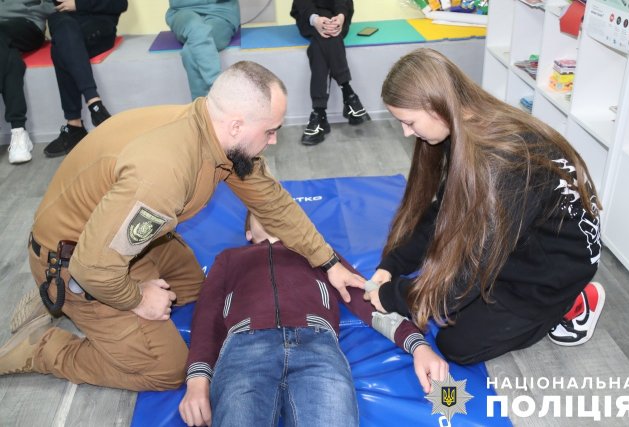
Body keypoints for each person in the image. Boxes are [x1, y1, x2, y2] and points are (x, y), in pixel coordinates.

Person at [0, 61, 363, 391]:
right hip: (79, 261)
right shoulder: (163, 173)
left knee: (197, 291)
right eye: (270, 131)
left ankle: (62, 301)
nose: (274, 140)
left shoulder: (214, 132)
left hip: (122, 241)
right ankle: (43, 344)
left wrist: (328, 262)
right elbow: (93, 267)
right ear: (237, 125)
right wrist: (138, 298)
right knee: (168, 369)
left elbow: (273, 203)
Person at [364, 48, 605, 365]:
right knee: (449, 298)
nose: (406, 132)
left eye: (409, 122)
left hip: (553, 270)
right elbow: (444, 213)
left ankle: (572, 302)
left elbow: (463, 282)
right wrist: (393, 264)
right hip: (521, 242)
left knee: (457, 344)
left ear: (437, 106)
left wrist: (393, 296)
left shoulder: (503, 165)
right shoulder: (465, 128)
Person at [178, 213, 447, 427]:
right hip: (246, 348)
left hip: (316, 346)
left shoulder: (318, 252)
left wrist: (417, 345)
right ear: (248, 233)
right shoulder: (229, 258)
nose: (271, 212)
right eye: (260, 210)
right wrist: (197, 379)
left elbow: (365, 298)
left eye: (279, 210)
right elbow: (207, 315)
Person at [42, 0, 128, 158]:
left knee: (59, 48)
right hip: (64, 24)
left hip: (97, 26)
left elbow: (120, 4)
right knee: (63, 32)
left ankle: (74, 125)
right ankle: (95, 105)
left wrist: (79, 4)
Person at [291, 0, 370, 145]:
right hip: (308, 17)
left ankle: (319, 113)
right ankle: (348, 93)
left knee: (319, 48)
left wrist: (340, 16)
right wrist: (315, 19)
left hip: (337, 18)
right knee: (327, 38)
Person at [0, 0, 55, 164]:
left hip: (28, 23)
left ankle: (19, 132)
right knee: (12, 61)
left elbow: (53, 5)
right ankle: (18, 131)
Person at [166, 0, 240, 100]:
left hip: (221, 12)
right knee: (197, 30)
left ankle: (201, 107)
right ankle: (220, 91)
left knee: (190, 53)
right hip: (182, 12)